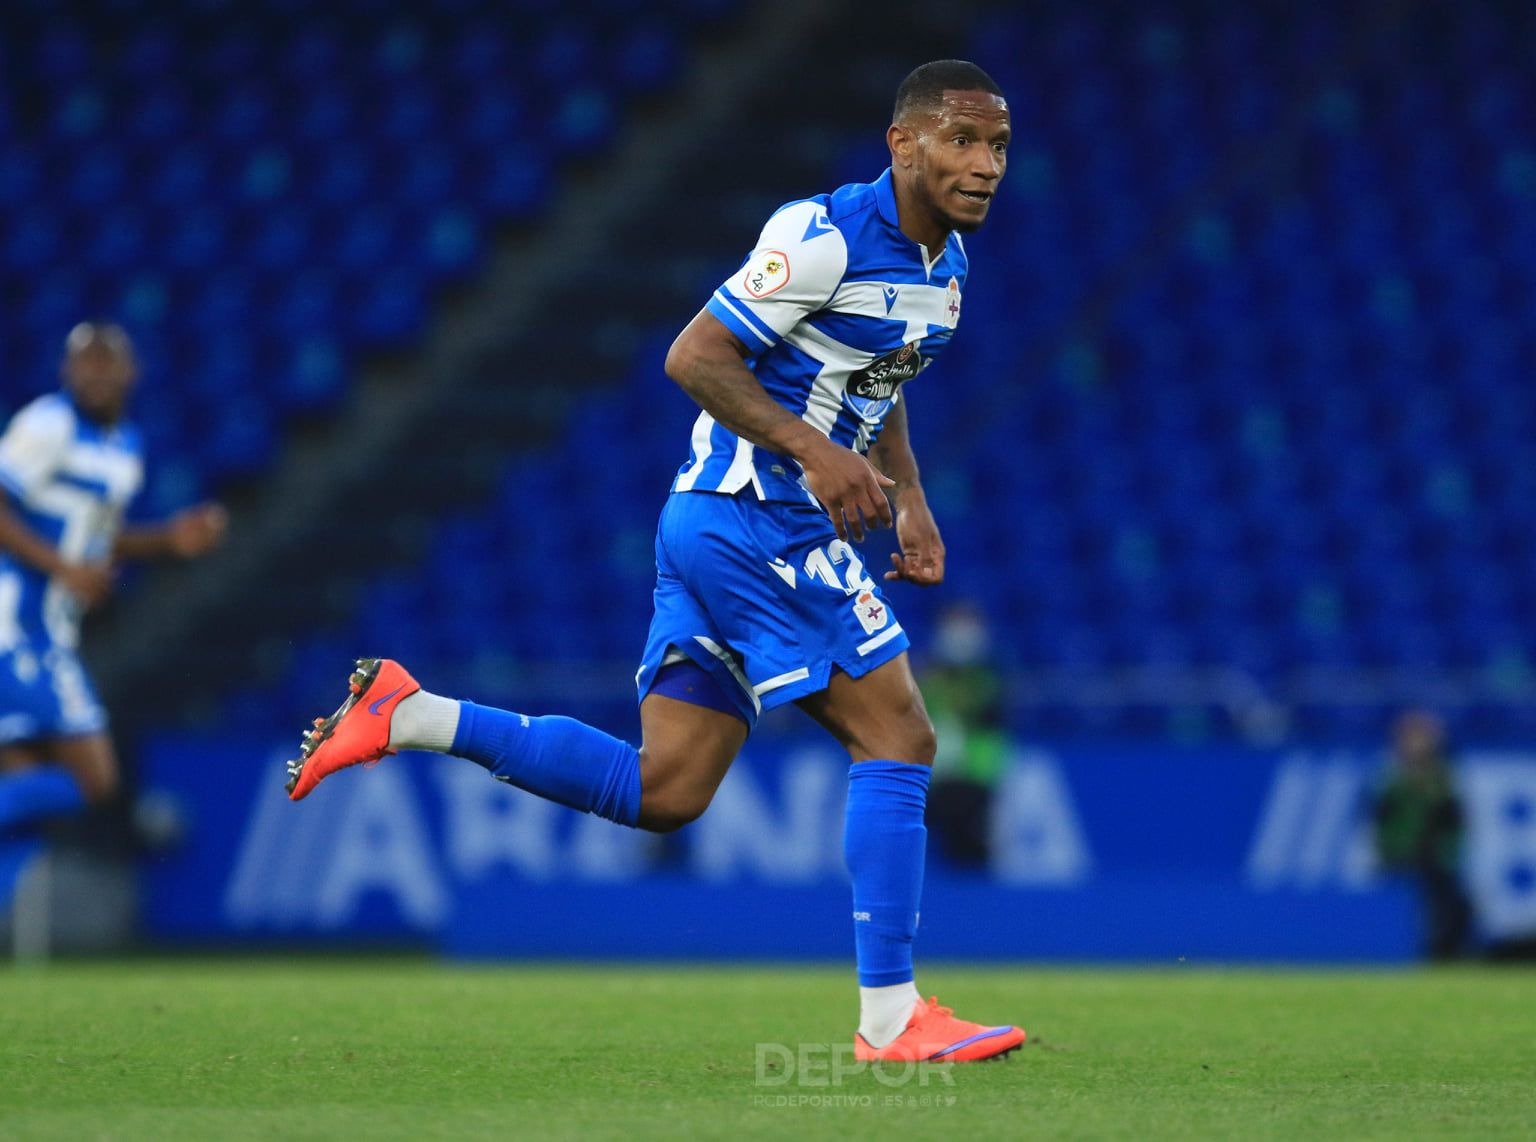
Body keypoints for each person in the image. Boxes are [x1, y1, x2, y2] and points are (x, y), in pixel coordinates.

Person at [289, 60, 1024, 1062]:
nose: (982, 165)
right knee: (898, 736)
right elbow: (692, 355)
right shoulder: (821, 237)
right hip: (753, 514)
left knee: (666, 789)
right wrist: (816, 452)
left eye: (996, 146)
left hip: (719, 524)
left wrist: (910, 497)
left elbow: (877, 375)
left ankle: (411, 713)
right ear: (902, 144)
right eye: (959, 141)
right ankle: (890, 1017)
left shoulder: (945, 269)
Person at [0, 323, 227, 853]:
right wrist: (63, 569)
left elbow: (96, 538)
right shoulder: (48, 423)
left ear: (131, 373)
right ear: (66, 370)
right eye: (86, 361)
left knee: (25, 791)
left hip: (49, 627)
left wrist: (168, 540)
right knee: (93, 779)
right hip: (17, 624)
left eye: (107, 362)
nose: (97, 373)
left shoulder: (125, 446)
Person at [1374, 709, 1474, 960]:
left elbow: (1455, 820)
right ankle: (1432, 952)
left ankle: (1448, 954)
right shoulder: (1392, 779)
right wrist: (1391, 851)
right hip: (1406, 856)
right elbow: (1383, 821)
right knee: (1427, 903)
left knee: (1456, 905)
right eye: (1412, 738)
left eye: (1423, 737)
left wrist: (1450, 850)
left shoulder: (1443, 777)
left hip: (1436, 858)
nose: (1418, 744)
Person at [919, 602, 1011, 869]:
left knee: (976, 851)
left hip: (977, 776)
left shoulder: (990, 674)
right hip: (939, 775)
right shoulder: (929, 675)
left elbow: (987, 715)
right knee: (943, 853)